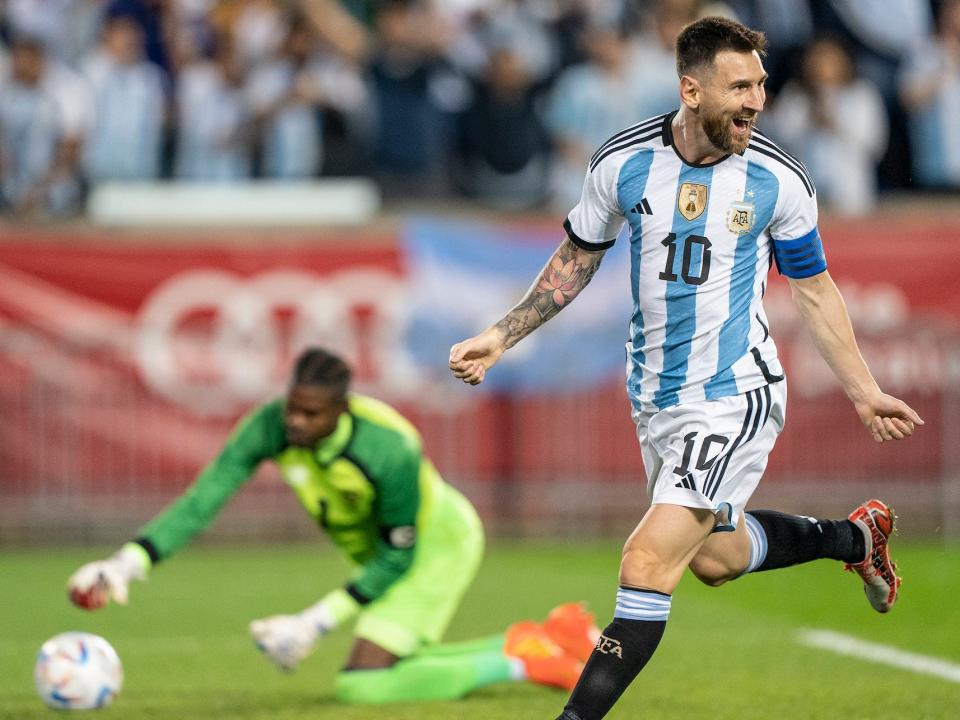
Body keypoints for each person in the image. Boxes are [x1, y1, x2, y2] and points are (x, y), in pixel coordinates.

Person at [449, 16, 923, 720]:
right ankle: (854, 537)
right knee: (716, 559)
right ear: (690, 88)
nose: (756, 102)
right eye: (740, 87)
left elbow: (814, 289)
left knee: (645, 565)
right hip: (656, 399)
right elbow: (578, 258)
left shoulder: (777, 179)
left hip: (735, 395)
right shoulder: (623, 163)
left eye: (761, 85)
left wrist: (864, 391)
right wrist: (501, 334)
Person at [67, 347, 592, 704]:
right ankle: (544, 638)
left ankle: (522, 661)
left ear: (342, 409)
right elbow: (205, 498)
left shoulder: (389, 448)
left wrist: (313, 623)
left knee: (362, 684)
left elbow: (398, 556)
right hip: (381, 554)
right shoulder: (271, 424)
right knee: (400, 656)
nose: (295, 422)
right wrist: (126, 563)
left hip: (435, 547)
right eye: (293, 408)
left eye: (311, 414)